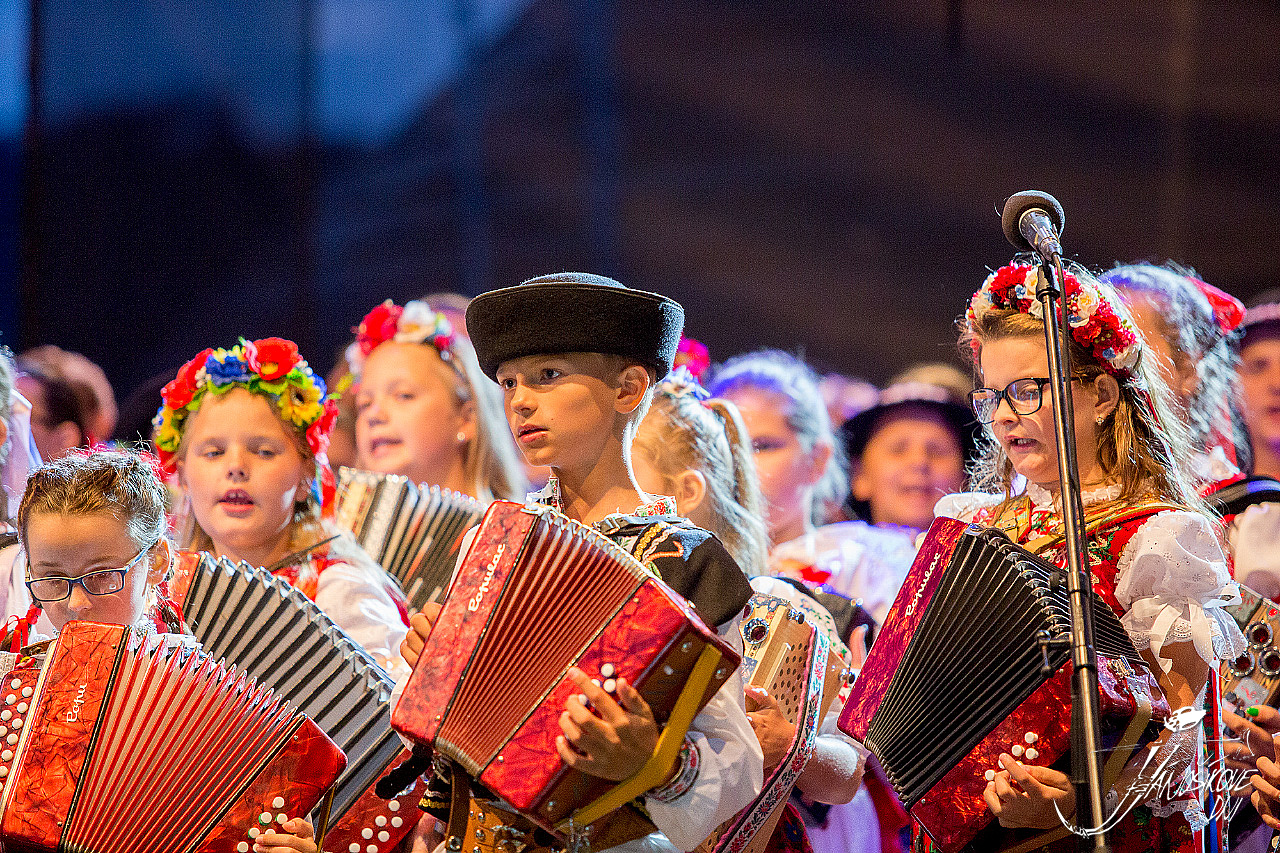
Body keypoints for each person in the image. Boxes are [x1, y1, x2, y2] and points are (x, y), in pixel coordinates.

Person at [401, 272, 763, 853]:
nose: (520, 400)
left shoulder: (688, 560)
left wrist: (652, 760)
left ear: (628, 389)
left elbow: (737, 764)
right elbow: (452, 739)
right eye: (509, 382)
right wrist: (432, 675)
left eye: (548, 375)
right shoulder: (494, 540)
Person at [939, 260, 1246, 851]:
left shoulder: (1155, 538)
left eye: (1026, 390)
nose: (1002, 415)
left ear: (1102, 394)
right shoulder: (971, 523)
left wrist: (1076, 808)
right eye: (991, 396)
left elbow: (1186, 745)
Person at [9, 449, 317, 852]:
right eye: (52, 579)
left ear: (156, 562)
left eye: (102, 576)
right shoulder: (14, 685)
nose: (77, 602)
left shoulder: (216, 701)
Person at [632, 365, 865, 853]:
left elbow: (849, 774)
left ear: (684, 494)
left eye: (624, 486)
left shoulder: (780, 605)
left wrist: (792, 745)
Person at [152, 337, 408, 672]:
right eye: (214, 452)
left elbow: (391, 696)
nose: (236, 467)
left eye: (263, 451)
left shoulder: (338, 592)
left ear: (305, 476)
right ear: (184, 476)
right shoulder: (159, 596)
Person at [708, 351, 916, 627]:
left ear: (817, 459)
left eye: (762, 446)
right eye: (725, 446)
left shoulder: (865, 565)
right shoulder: (694, 567)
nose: (740, 464)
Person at [348, 298, 526, 502]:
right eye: (364, 404)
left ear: (466, 419)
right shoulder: (337, 523)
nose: (374, 415)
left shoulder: (517, 523)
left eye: (403, 395)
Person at [840, 376, 976, 538]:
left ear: (967, 475)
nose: (919, 462)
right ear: (859, 474)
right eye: (898, 449)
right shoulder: (825, 551)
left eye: (936, 451)